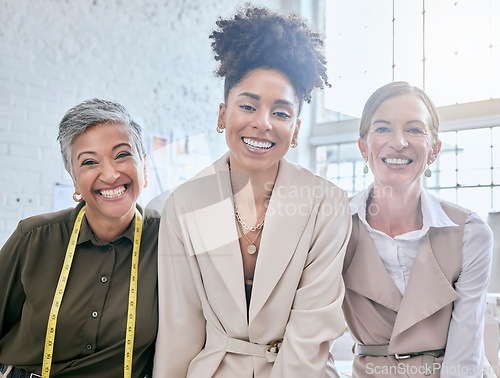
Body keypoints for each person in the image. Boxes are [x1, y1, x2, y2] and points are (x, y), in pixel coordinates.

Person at [153, 5, 351, 378]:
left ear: (295, 130)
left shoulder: (327, 204)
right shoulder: (184, 204)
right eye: (248, 106)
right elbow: (180, 327)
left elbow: (310, 334)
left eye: (281, 112)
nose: (262, 123)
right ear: (222, 115)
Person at [340, 81, 493, 377]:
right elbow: (314, 331)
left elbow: (466, 353)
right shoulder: (334, 223)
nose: (398, 142)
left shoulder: (471, 233)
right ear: (363, 146)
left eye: (414, 129)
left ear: (434, 149)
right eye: (383, 128)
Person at [0, 99, 159, 378]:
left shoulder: (169, 239)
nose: (110, 174)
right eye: (89, 162)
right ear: (74, 181)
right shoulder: (33, 239)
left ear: (144, 167)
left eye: (122, 155)